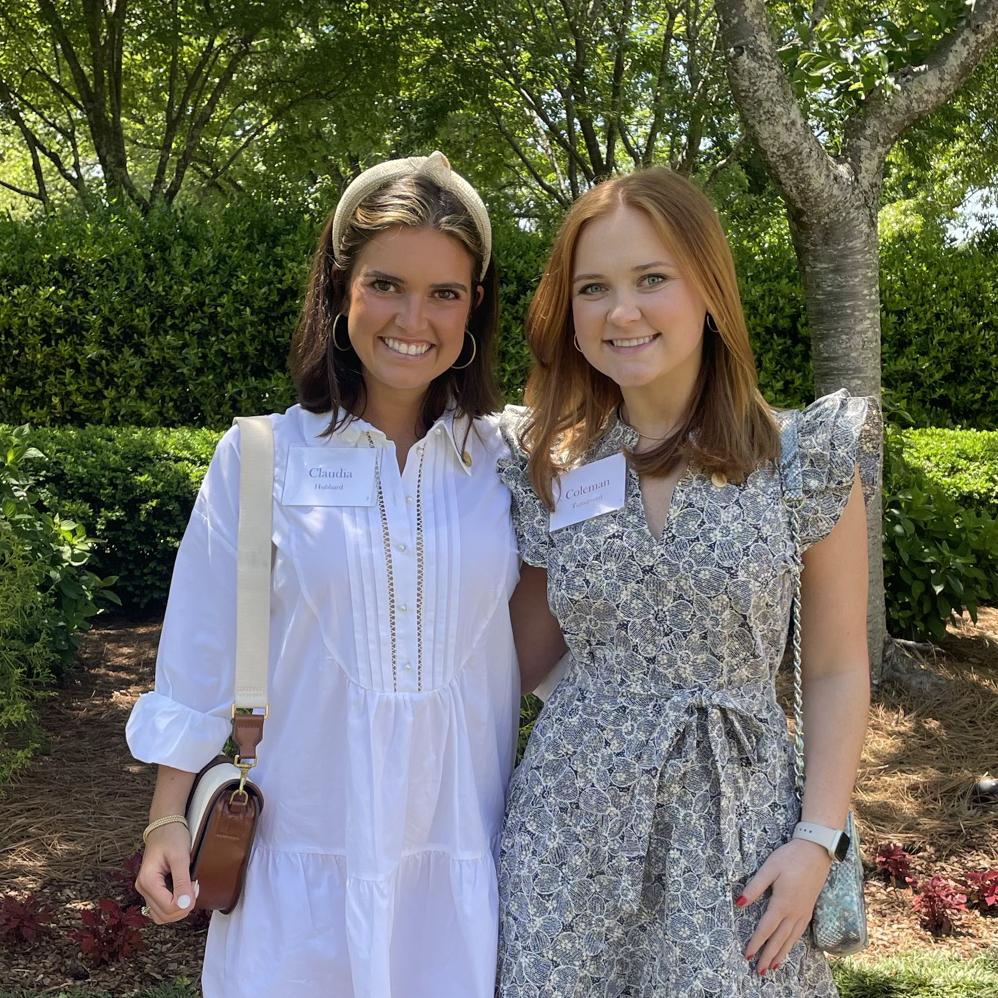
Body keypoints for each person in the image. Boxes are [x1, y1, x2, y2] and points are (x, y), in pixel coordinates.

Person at [126, 152, 523, 998]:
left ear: (475, 306)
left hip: (460, 859)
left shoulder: (510, 461)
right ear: (340, 288)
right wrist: (166, 818)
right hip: (297, 866)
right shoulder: (261, 456)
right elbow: (198, 649)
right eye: (386, 285)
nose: (413, 318)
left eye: (444, 293)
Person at [495, 167, 880, 996]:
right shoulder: (548, 469)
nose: (621, 312)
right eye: (593, 288)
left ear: (709, 290)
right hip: (570, 831)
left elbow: (837, 667)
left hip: (740, 831)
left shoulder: (802, 459)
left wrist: (818, 840)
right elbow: (515, 662)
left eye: (651, 279)